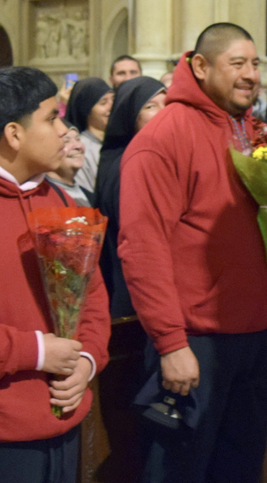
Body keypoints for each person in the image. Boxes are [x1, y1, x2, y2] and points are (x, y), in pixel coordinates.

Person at [117, 23, 267, 483]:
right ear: (200, 66)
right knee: (181, 472)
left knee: (239, 470)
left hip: (257, 336)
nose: (251, 75)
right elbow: (143, 248)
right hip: (198, 343)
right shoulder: (165, 138)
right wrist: (171, 343)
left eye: (255, 64)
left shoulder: (253, 131)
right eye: (237, 63)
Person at [0, 66, 110, 483]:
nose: (65, 130)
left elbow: (93, 297)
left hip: (65, 418)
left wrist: (86, 361)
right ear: (14, 134)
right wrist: (36, 352)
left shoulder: (62, 200)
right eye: (51, 118)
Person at [96, 76, 166, 319]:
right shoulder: (125, 164)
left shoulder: (152, 158)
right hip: (135, 295)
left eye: (167, 103)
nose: (163, 112)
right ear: (129, 115)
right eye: (151, 106)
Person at [65, 77, 113, 194]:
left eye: (113, 100)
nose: (111, 106)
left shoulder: (114, 142)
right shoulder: (81, 148)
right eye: (103, 102)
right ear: (86, 110)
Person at [45, 123, 93, 207]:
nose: (78, 146)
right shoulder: (43, 197)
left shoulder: (91, 198)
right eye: (66, 141)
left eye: (78, 139)